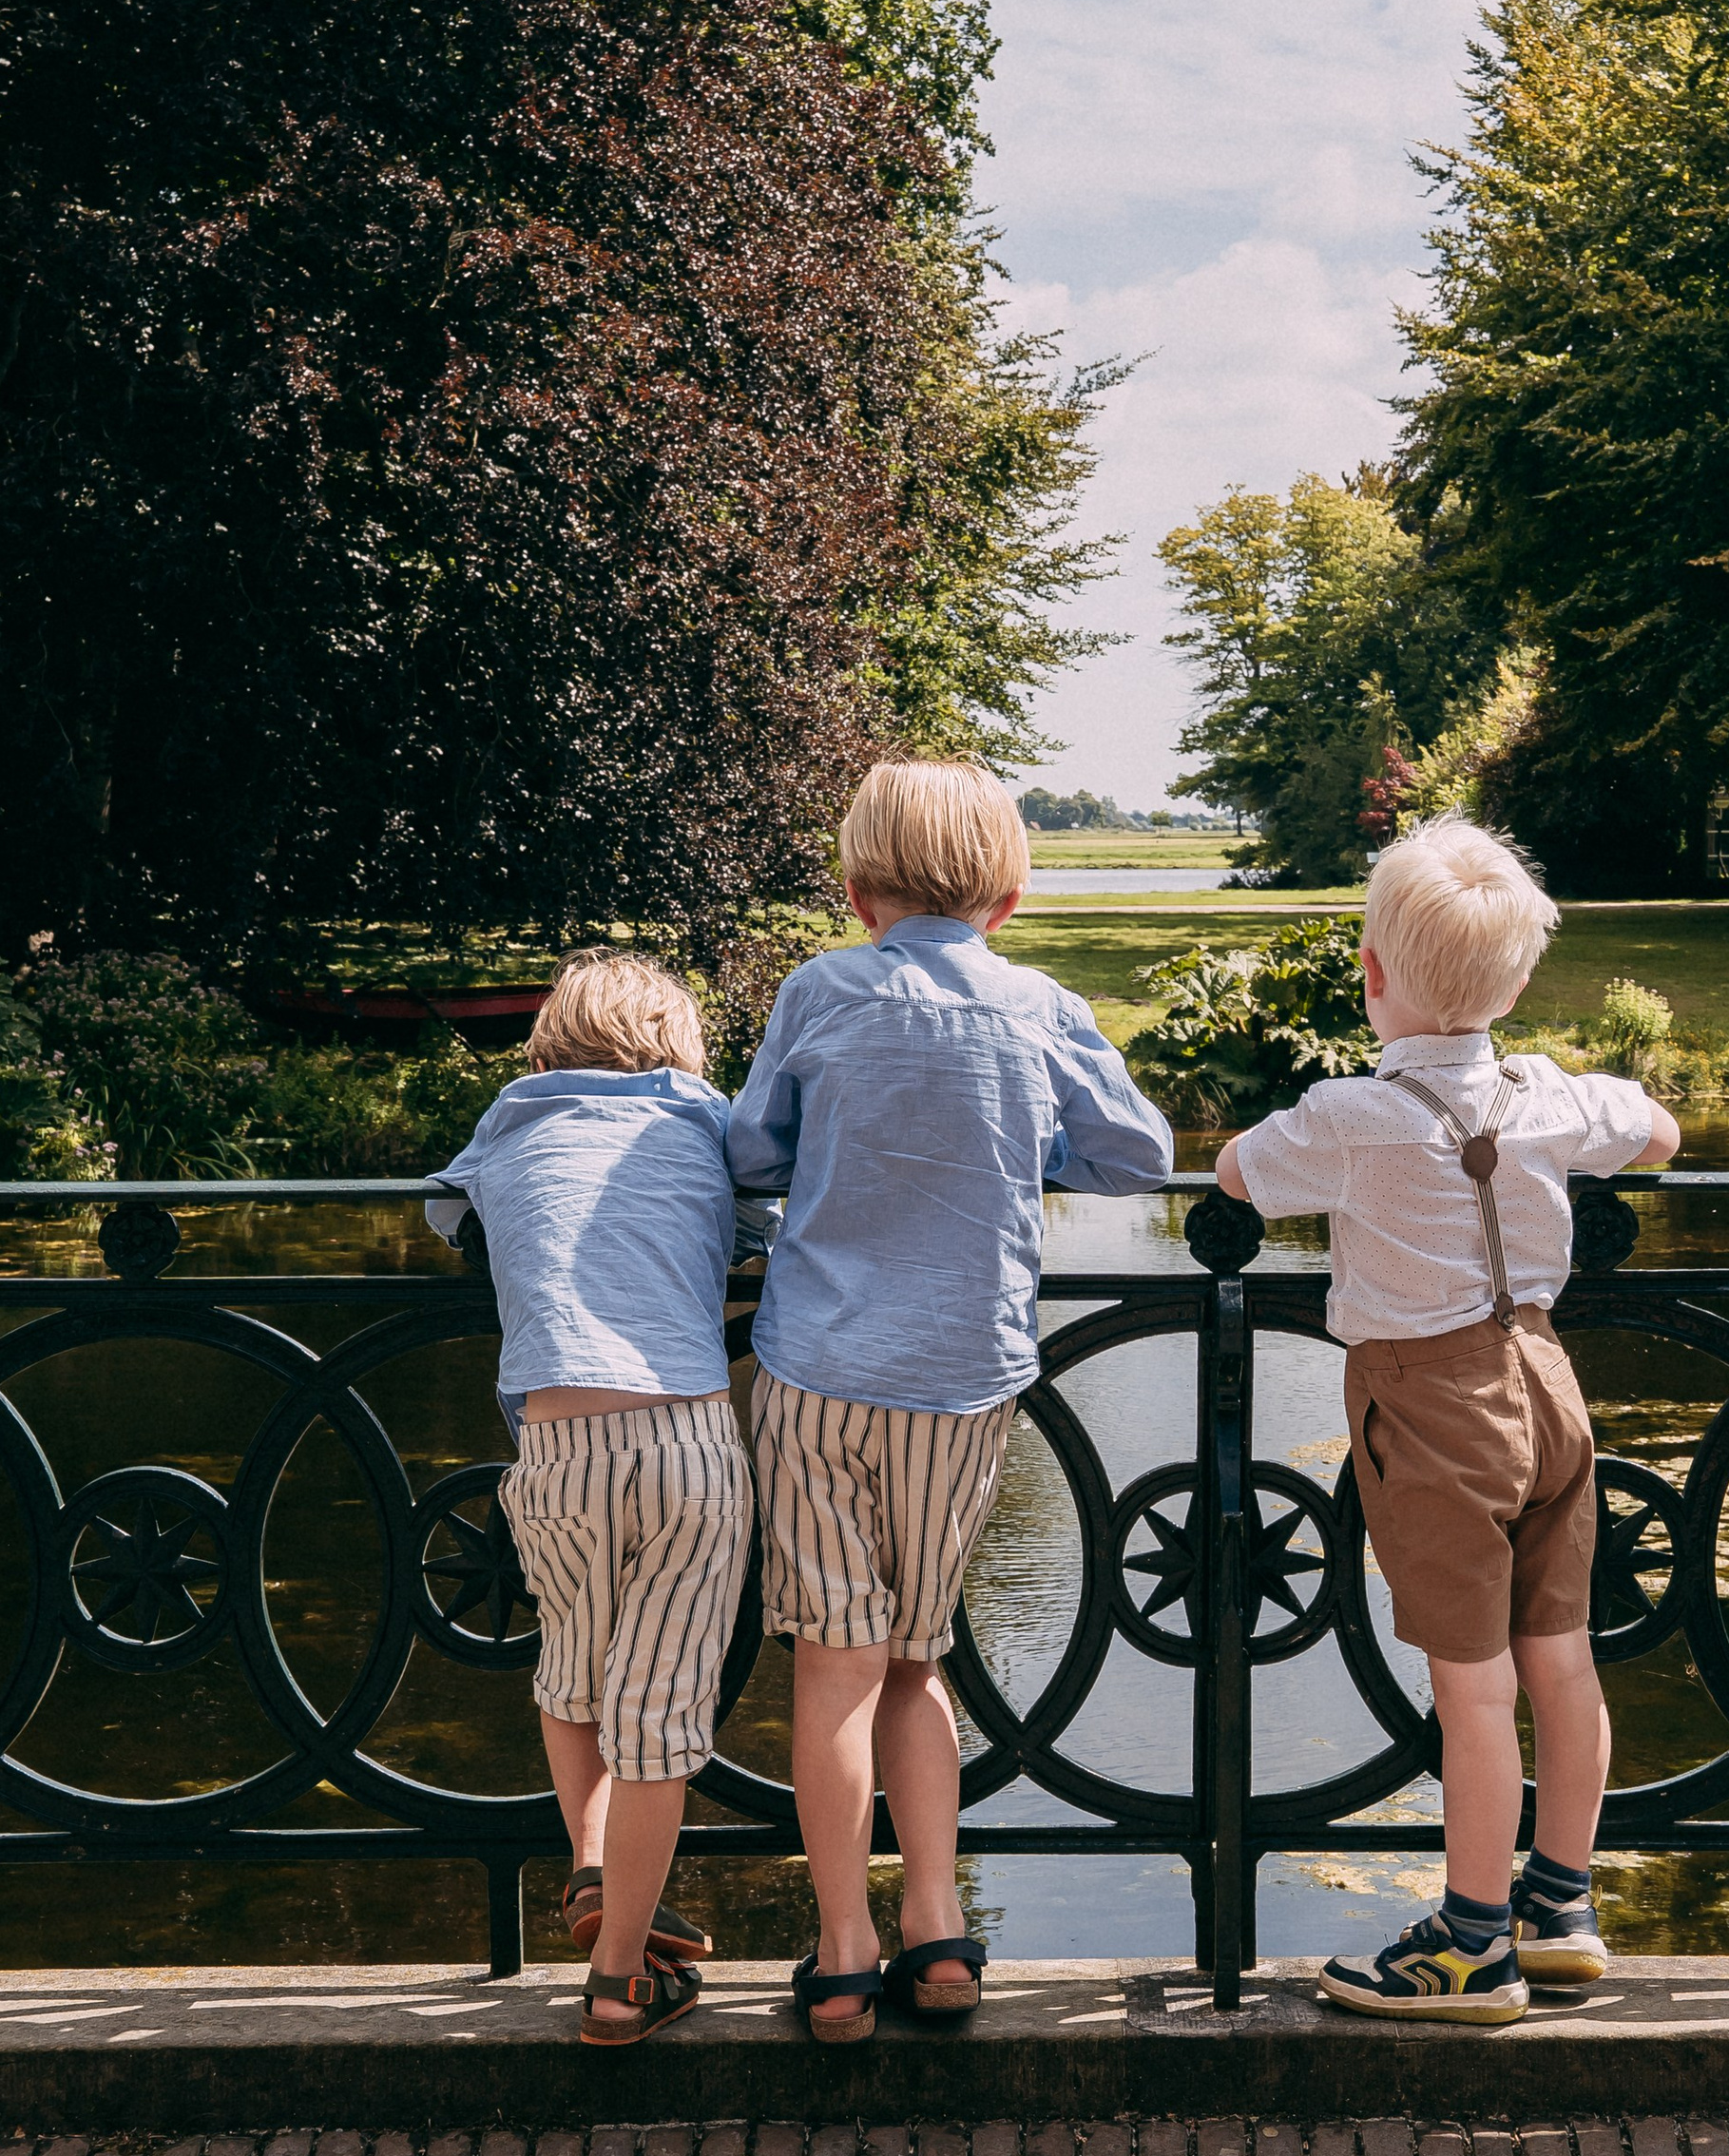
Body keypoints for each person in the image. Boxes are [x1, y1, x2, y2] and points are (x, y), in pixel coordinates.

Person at [727, 759, 1174, 2044]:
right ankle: (936, 1928)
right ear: (1009, 897)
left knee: (834, 1670)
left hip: (818, 1371)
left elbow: (749, 1153)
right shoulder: (1039, 1004)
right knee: (919, 1661)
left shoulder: (819, 990)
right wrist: (1023, 1151)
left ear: (856, 892)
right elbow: (1138, 1153)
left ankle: (842, 1951)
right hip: (961, 1381)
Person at [1216, 816, 1680, 2024]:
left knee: (1473, 1690)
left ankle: (1473, 1944)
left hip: (1432, 1404)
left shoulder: (1351, 1116)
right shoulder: (1547, 1095)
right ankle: (1560, 1903)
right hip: (1547, 1384)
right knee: (1561, 1659)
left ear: (1371, 974)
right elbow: (1659, 1131)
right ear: (1517, 984)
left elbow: (1236, 1173)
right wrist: (1564, 1104)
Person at [427, 950, 773, 2048]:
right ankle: (619, 1981)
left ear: (548, 1044)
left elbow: (444, 1213)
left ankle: (589, 1862)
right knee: (660, 1721)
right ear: (678, 1048)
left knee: (573, 1669)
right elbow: (761, 1223)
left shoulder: (512, 1114)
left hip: (553, 1445)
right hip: (681, 1442)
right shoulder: (703, 1117)